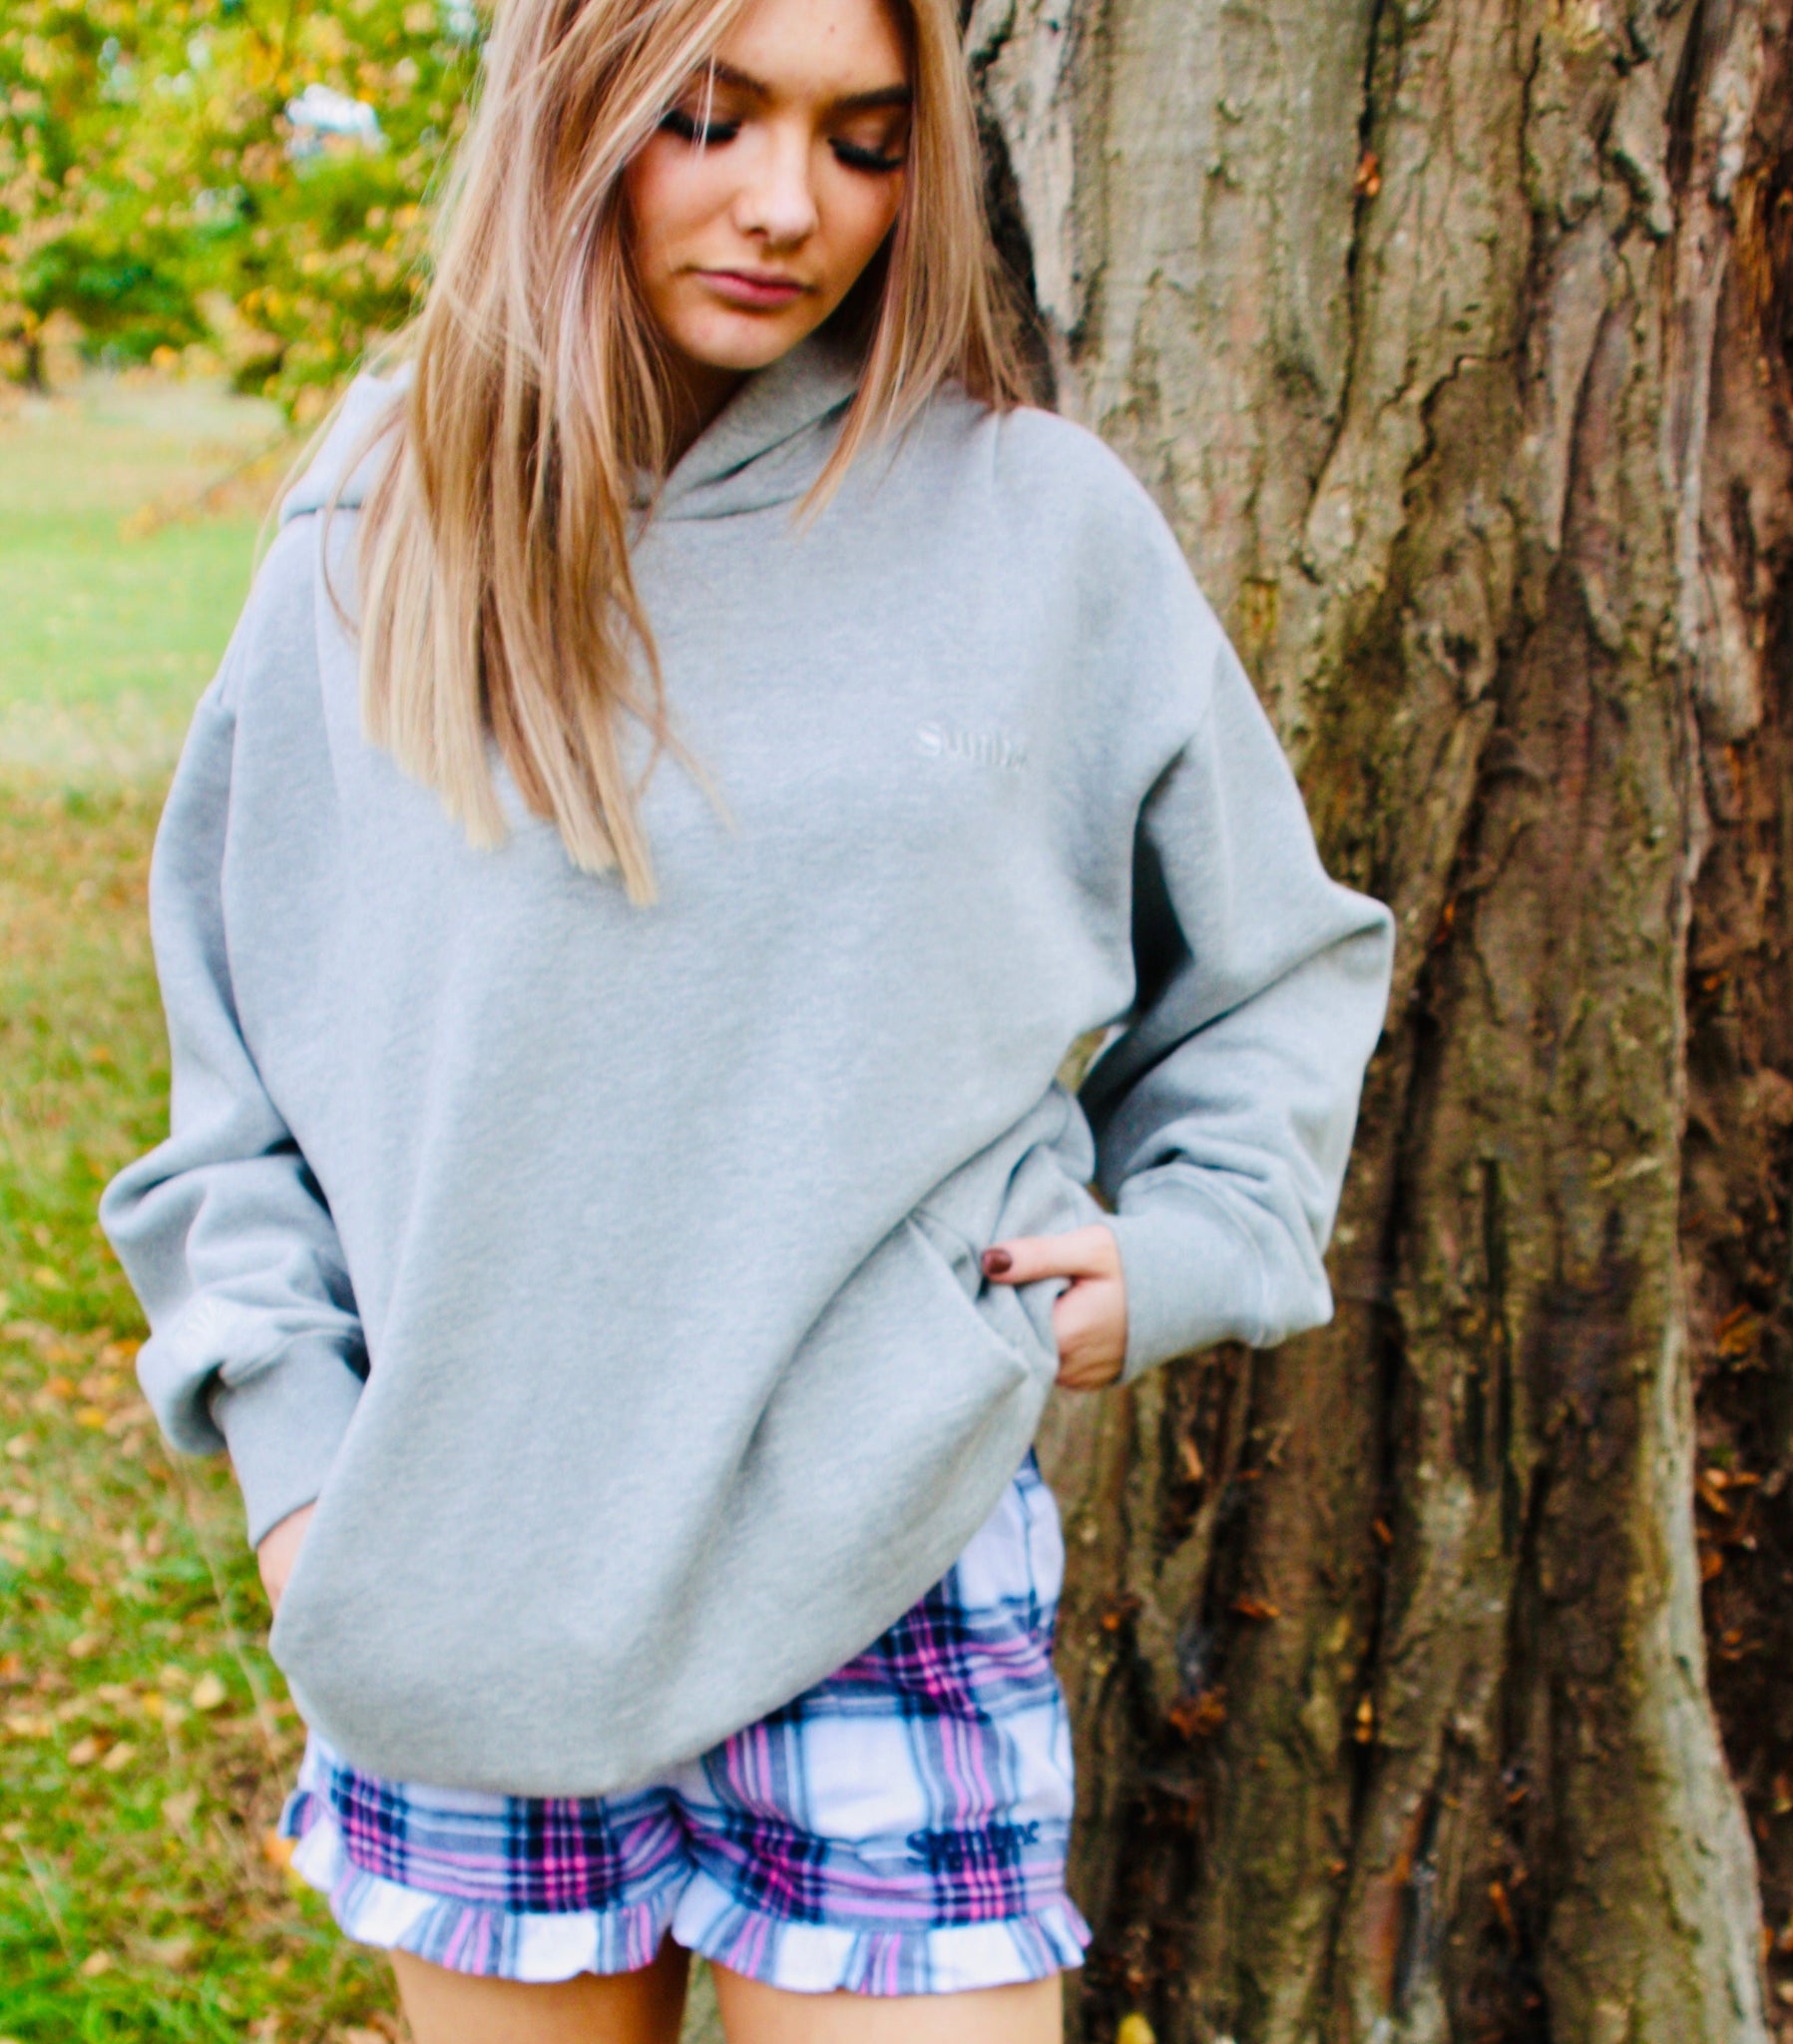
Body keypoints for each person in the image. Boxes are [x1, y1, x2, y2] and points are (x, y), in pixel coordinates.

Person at [99, 0, 1395, 2035]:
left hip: (880, 1552)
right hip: (464, 1562)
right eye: (708, 119)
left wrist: (1184, 1249)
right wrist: (299, 1475)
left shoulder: (1032, 527)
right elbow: (236, 1080)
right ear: (572, 101)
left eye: (865, 142)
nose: (787, 203)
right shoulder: (381, 516)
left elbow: (1270, 961)